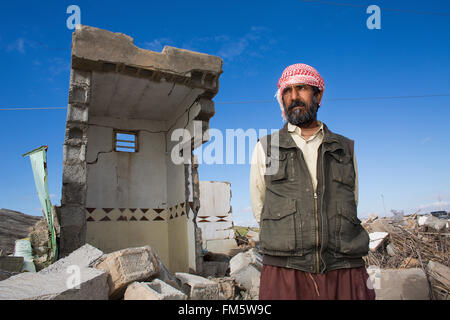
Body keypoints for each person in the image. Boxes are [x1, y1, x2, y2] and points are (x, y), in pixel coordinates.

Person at [250, 63, 375, 300]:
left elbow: (352, 200)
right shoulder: (266, 148)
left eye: (301, 88)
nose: (294, 97)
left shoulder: (344, 147)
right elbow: (260, 206)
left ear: (319, 94)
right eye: (287, 91)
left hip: (343, 268)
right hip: (285, 271)